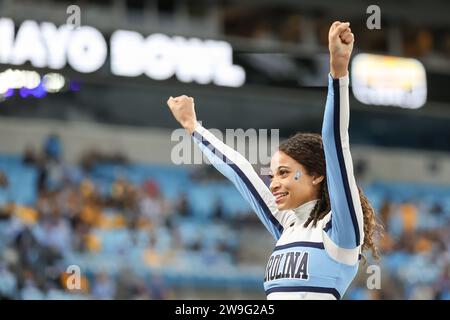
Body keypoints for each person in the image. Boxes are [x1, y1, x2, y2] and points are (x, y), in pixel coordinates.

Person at [166, 21, 381, 300]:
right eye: (273, 174)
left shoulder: (341, 229)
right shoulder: (286, 226)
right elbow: (239, 171)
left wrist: (338, 72)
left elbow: (335, 143)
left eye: (283, 173)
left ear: (317, 175)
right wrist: (194, 128)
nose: (274, 182)